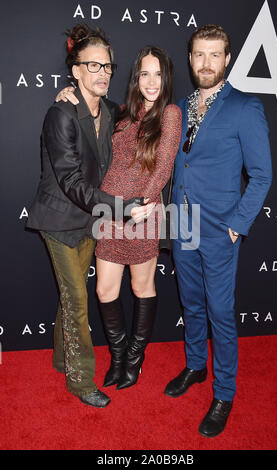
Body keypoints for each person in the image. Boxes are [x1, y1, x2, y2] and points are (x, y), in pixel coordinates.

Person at [26, 23, 146, 408]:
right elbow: (71, 181)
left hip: (90, 220)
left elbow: (145, 119)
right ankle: (80, 381)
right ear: (75, 70)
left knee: (70, 297)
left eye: (107, 67)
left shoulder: (112, 111)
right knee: (77, 300)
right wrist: (121, 208)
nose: (103, 74)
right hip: (60, 220)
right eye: (93, 66)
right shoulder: (59, 115)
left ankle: (62, 359)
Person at [164, 25, 272, 437]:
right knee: (190, 303)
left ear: (227, 59)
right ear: (190, 59)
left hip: (218, 229)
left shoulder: (245, 106)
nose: (205, 63)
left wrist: (237, 226)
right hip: (183, 225)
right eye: (198, 55)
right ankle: (195, 366)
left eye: (214, 55)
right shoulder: (180, 106)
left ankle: (224, 391)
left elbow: (261, 175)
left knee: (221, 313)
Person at [56, 45, 182, 390]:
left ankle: (134, 360)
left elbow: (165, 163)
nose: (151, 81)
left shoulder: (170, 113)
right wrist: (69, 92)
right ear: (136, 77)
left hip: (143, 214)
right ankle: (118, 355)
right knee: (105, 289)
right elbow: (90, 110)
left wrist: (146, 200)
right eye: (145, 73)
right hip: (109, 213)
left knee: (143, 287)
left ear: (166, 77)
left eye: (158, 74)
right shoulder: (123, 112)